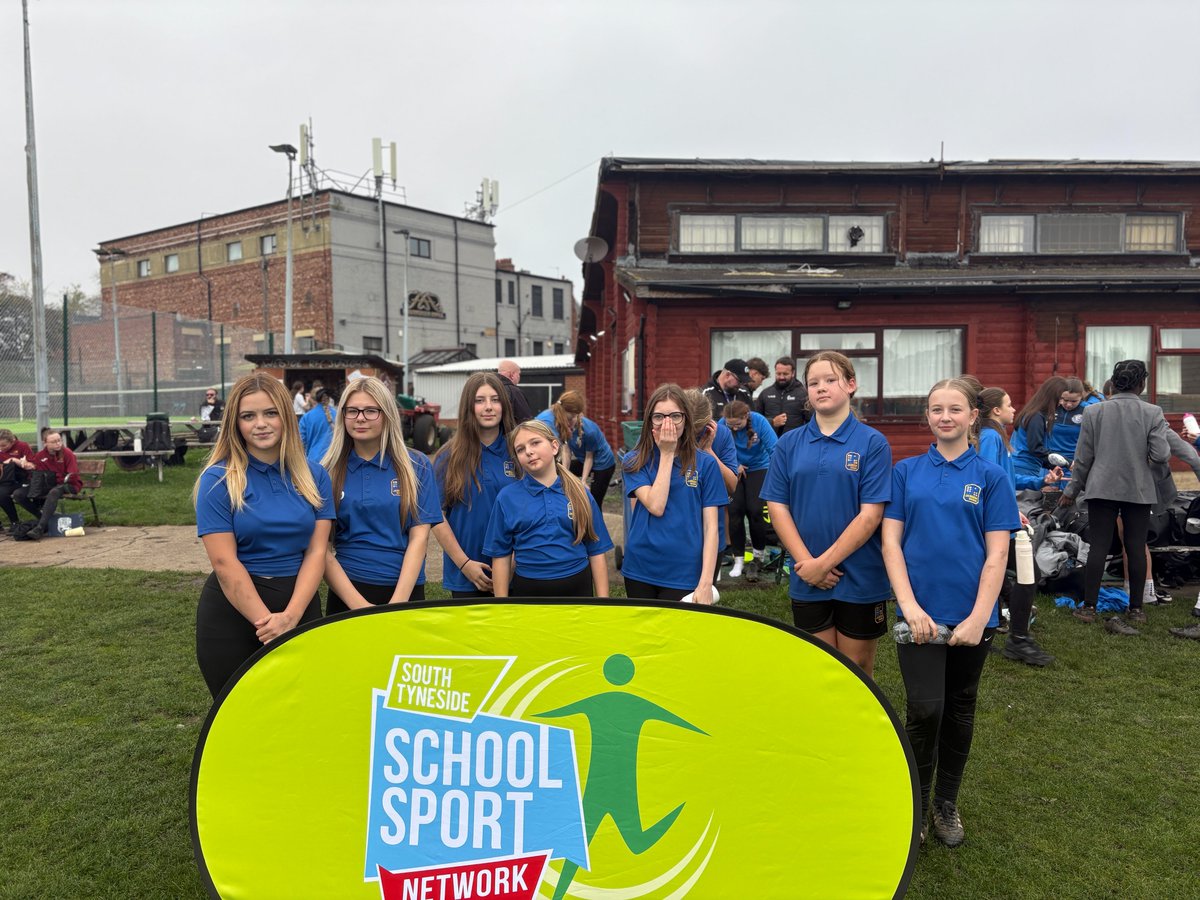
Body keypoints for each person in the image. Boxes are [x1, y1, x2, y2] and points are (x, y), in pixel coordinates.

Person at [882, 377, 1020, 847]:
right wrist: (909, 607)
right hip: (918, 614)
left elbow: (997, 555)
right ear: (927, 417)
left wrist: (981, 615)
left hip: (971, 617)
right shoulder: (906, 473)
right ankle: (916, 806)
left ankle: (945, 803)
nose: (945, 417)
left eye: (954, 409)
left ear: (972, 416)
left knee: (960, 708)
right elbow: (891, 544)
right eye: (937, 409)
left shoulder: (991, 477)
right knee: (924, 709)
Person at [193, 373, 334, 699]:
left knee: (299, 710)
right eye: (248, 416)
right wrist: (268, 625)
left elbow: (317, 552)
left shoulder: (314, 477)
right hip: (233, 616)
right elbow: (224, 564)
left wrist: (292, 617)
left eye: (270, 413)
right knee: (239, 717)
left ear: (286, 416)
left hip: (298, 607)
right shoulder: (218, 480)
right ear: (235, 423)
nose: (261, 424)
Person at [761, 351, 892, 676]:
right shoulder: (789, 444)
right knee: (819, 670)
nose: (821, 388)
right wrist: (808, 564)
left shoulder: (873, 443)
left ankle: (860, 730)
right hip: (806, 574)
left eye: (830, 380)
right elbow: (778, 506)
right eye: (814, 382)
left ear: (850, 384)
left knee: (856, 671)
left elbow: (870, 516)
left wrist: (825, 563)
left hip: (860, 576)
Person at [1060, 360, 1170, 635]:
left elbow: (1083, 459)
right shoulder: (1153, 412)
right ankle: (1136, 609)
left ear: (1113, 381)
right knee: (1135, 546)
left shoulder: (1094, 411)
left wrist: (1071, 491)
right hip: (1138, 488)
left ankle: (1088, 607)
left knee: (1098, 546)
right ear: (1141, 384)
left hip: (1101, 487)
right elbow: (1161, 455)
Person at [321, 376, 442, 613]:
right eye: (352, 411)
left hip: (405, 592)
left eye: (370, 411)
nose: (360, 418)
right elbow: (320, 549)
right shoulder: (327, 471)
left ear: (386, 415)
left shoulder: (415, 465)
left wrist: (397, 603)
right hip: (347, 592)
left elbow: (419, 539)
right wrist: (357, 605)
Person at [975, 387, 1061, 667]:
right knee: (1028, 574)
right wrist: (1011, 512)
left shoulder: (998, 435)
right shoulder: (990, 437)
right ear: (996, 411)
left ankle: (994, 632)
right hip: (997, 522)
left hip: (1004, 518)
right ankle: (1018, 640)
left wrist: (1040, 481)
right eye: (1009, 405)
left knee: (1006, 574)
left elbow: (1007, 478)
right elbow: (987, 479)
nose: (1015, 410)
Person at [620, 383, 729, 603]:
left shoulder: (706, 464)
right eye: (659, 416)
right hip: (641, 567)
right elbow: (656, 506)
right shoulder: (634, 460)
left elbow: (711, 528)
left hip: (684, 570)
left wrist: (706, 582)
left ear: (686, 419)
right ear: (649, 421)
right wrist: (667, 454)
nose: (667, 423)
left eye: (675, 416)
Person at [484, 419, 612, 598]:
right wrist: (501, 605)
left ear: (554, 447)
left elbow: (597, 551)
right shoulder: (507, 498)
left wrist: (602, 602)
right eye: (520, 449)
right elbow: (501, 557)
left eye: (535, 443)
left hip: (578, 590)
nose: (529, 451)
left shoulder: (580, 493)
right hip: (528, 591)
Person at [432, 372, 517, 598]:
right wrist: (464, 564)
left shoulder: (519, 451)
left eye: (495, 399)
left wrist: (513, 563)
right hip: (466, 575)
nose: (488, 407)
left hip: (516, 572)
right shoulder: (448, 457)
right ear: (468, 407)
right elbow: (435, 516)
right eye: (479, 400)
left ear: (504, 405)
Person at [720, 400, 777, 581]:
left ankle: (758, 555)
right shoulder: (722, 425)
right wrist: (734, 464)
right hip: (735, 468)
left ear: (746, 417)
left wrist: (778, 473)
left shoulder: (759, 421)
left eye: (738, 424)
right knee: (735, 512)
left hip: (759, 467)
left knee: (755, 511)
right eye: (731, 425)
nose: (734, 428)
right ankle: (739, 559)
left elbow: (774, 448)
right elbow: (718, 449)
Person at [537, 391, 617, 506]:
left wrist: (583, 480)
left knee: (593, 501)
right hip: (583, 459)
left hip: (602, 464)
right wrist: (564, 474)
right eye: (568, 420)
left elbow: (590, 457)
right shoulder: (566, 426)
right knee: (558, 470)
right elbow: (566, 451)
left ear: (577, 415)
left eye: (573, 418)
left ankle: (594, 521)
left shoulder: (589, 431)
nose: (570, 422)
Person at [12, 430, 81, 540]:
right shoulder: (40, 455)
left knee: (54, 492)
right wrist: (30, 467)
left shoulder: (67, 453)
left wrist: (57, 481)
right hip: (46, 484)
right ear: (45, 443)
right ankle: (43, 518)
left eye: (59, 440)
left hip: (67, 484)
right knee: (18, 494)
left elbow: (72, 474)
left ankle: (40, 527)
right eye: (53, 442)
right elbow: (36, 471)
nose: (58, 443)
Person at [1010, 376, 1069, 482]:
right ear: (1051, 397)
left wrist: (1051, 466)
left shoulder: (1032, 413)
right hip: (1024, 468)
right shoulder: (1036, 417)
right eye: (1060, 399)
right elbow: (1036, 448)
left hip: (1024, 466)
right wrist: (1067, 462)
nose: (1061, 403)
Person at [755, 356, 810, 436]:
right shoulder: (765, 393)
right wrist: (772, 422)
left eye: (785, 374)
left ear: (793, 373)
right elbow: (756, 420)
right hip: (771, 443)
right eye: (778, 373)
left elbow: (811, 421)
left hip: (795, 443)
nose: (781, 377)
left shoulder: (803, 394)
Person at [1045, 377, 1088, 463]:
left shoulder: (1087, 410)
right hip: (1051, 461)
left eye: (1074, 401)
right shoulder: (1052, 408)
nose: (1068, 404)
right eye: (1065, 400)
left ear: (1081, 396)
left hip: (1074, 462)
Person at [0, 428, 34, 533]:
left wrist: (14, 460)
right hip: (7, 480)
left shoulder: (22, 446)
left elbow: (32, 466)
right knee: (1, 494)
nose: (1, 448)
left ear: (12, 441)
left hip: (23, 479)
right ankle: (14, 521)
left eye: (4, 446)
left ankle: (38, 518)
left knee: (16, 494)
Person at [298, 388, 336, 464]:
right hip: (335, 459)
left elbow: (300, 442)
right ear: (329, 398)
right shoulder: (337, 414)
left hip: (314, 461)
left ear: (313, 399)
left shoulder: (307, 417)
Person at [497, 359, 534, 423]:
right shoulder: (514, 392)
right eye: (518, 374)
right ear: (511, 374)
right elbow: (525, 420)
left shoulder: (488, 388)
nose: (519, 377)